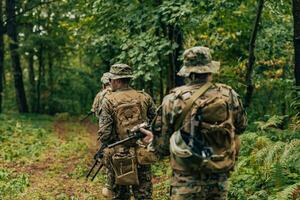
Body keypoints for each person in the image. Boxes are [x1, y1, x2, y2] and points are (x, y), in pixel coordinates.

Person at [140, 46, 247, 200]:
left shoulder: (173, 100)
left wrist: (152, 140)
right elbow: (241, 127)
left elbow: (162, 148)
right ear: (210, 70)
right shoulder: (228, 95)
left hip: (185, 180)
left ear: (188, 72)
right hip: (218, 179)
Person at [98, 63, 156, 200]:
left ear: (117, 81)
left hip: (119, 155)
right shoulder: (144, 97)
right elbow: (157, 122)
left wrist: (105, 147)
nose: (110, 82)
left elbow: (105, 133)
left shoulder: (108, 100)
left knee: (120, 195)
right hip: (142, 153)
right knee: (144, 194)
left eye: (111, 79)